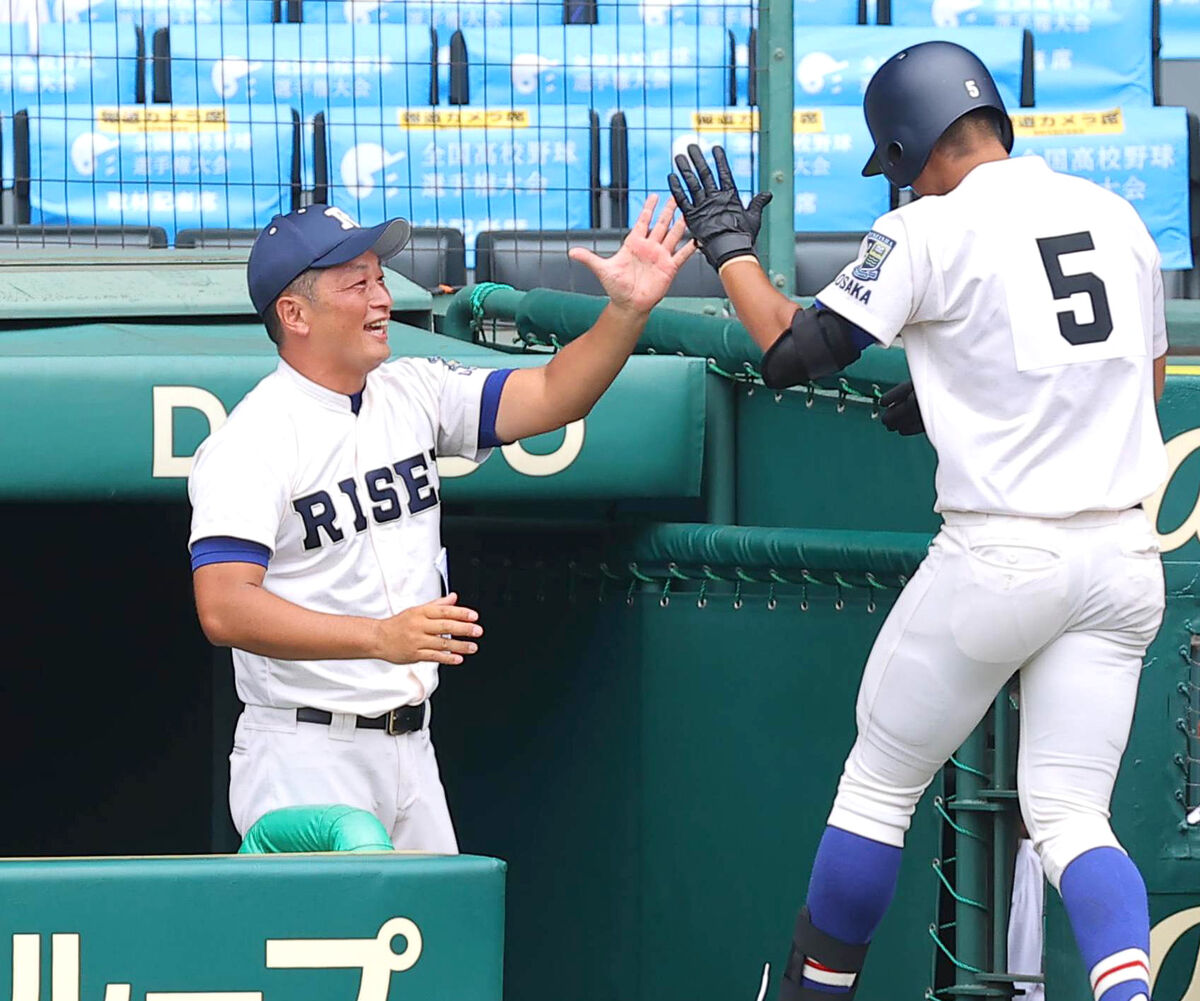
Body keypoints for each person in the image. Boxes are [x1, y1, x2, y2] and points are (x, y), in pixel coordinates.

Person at [669, 41, 1167, 1001]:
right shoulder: (1115, 214)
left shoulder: (933, 228)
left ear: (906, 146)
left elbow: (786, 351)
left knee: (879, 785)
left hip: (1003, 552)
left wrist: (729, 251)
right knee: (1072, 816)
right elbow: (1136, 388)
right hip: (1121, 561)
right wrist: (959, 392)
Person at [187, 198, 694, 851]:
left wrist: (626, 313)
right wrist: (379, 637)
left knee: (436, 945)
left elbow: (551, 395)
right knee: (331, 948)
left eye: (380, 276)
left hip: (411, 745)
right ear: (294, 313)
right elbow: (224, 608)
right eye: (357, 282)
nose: (381, 298)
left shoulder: (412, 390)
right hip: (304, 751)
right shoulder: (251, 441)